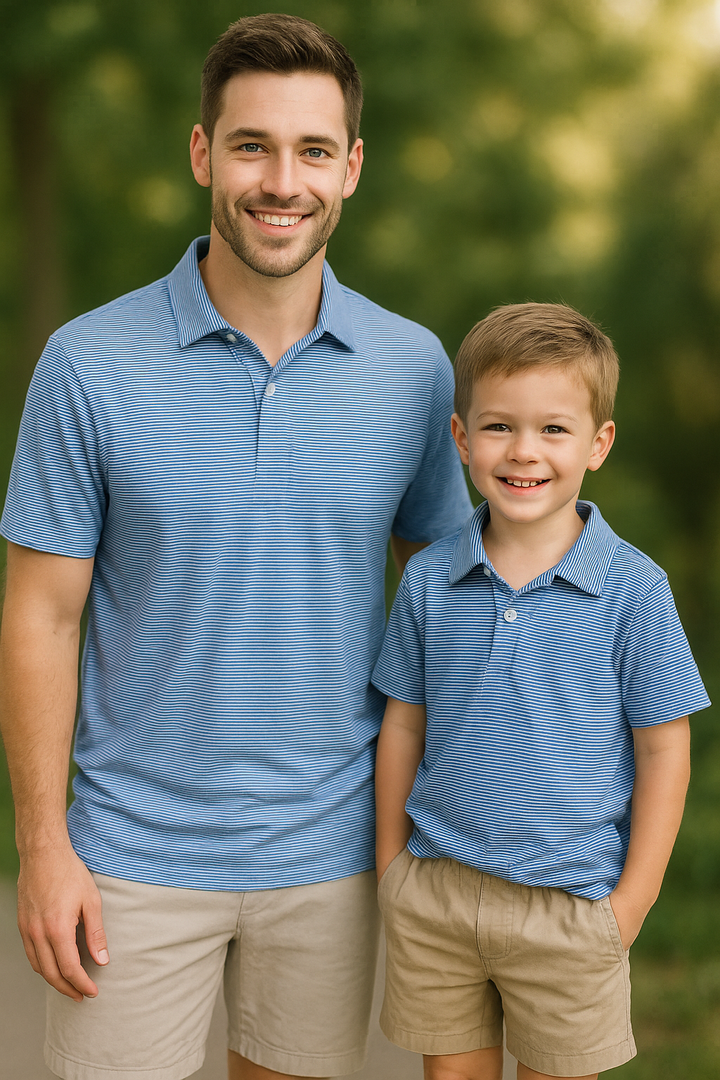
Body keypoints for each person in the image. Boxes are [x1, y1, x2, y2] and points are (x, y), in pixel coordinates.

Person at [0, 13, 472, 1080]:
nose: (282, 182)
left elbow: (449, 600)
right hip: (129, 860)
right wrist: (42, 846)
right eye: (252, 145)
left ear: (352, 168)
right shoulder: (86, 363)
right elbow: (42, 614)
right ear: (203, 152)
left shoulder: (414, 370)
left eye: (314, 151)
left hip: (332, 860)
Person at [371, 302, 710, 1080]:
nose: (524, 450)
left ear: (598, 443)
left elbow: (664, 749)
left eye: (554, 429)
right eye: (499, 426)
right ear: (462, 438)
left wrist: (632, 903)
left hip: (573, 904)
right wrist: (391, 864)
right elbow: (404, 725)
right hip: (438, 892)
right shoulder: (429, 579)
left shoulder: (634, 589)